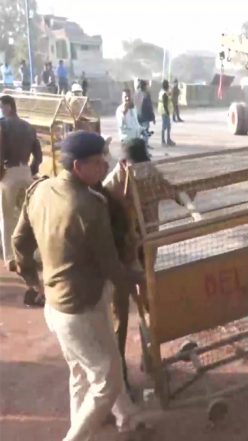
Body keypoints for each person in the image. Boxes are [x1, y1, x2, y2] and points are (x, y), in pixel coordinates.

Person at [12, 131, 148, 440]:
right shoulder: (90, 206)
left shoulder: (40, 190)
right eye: (98, 163)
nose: (104, 167)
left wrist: (34, 280)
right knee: (108, 382)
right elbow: (110, 264)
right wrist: (140, 281)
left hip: (58, 304)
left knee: (82, 372)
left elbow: (19, 242)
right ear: (79, 168)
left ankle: (124, 421)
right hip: (81, 309)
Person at [102, 137, 150, 392]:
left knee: (151, 308)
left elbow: (170, 190)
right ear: (122, 164)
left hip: (143, 249)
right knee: (120, 317)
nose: (140, 171)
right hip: (120, 260)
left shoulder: (145, 174)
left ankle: (150, 357)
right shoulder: (108, 190)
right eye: (135, 167)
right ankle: (121, 378)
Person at [0, 95, 42, 276]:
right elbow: (38, 155)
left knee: (7, 217)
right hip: (26, 173)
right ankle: (34, 254)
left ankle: (10, 258)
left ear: (9, 107)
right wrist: (30, 170)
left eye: (1, 106)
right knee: (29, 217)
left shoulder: (2, 125)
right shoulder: (28, 126)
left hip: (8, 173)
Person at [136, 80, 155, 145]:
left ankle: (144, 146)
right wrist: (153, 117)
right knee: (145, 132)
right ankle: (145, 147)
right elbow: (149, 106)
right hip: (144, 116)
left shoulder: (136, 93)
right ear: (144, 86)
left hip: (138, 116)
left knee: (140, 133)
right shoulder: (146, 94)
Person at [157, 80, 175, 146]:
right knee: (165, 126)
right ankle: (163, 141)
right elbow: (165, 104)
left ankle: (168, 139)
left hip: (163, 111)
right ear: (166, 86)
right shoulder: (164, 93)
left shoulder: (163, 92)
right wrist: (167, 112)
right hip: (165, 111)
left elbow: (169, 94)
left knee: (168, 126)